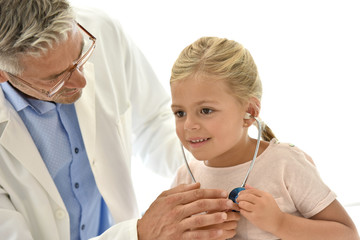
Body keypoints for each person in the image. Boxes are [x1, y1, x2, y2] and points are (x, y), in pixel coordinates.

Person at [0, 1, 241, 239]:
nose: (82, 81)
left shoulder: (100, 28)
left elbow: (153, 123)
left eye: (80, 53)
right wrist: (140, 233)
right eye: (56, 78)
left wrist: (224, 163)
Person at [170, 36, 360, 239]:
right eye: (180, 113)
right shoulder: (185, 180)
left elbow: (348, 234)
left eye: (206, 110)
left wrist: (281, 223)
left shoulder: (284, 164)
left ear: (249, 112)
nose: (189, 124)